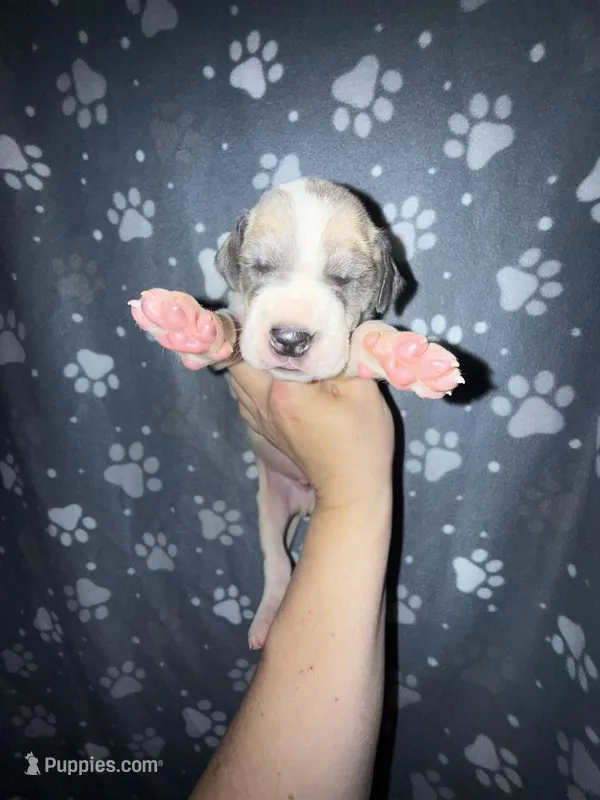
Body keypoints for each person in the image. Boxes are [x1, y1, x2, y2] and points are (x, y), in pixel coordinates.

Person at [190, 361, 395, 800]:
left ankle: (277, 587)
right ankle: (275, 586)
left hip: (312, 460)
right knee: (275, 552)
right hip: (282, 476)